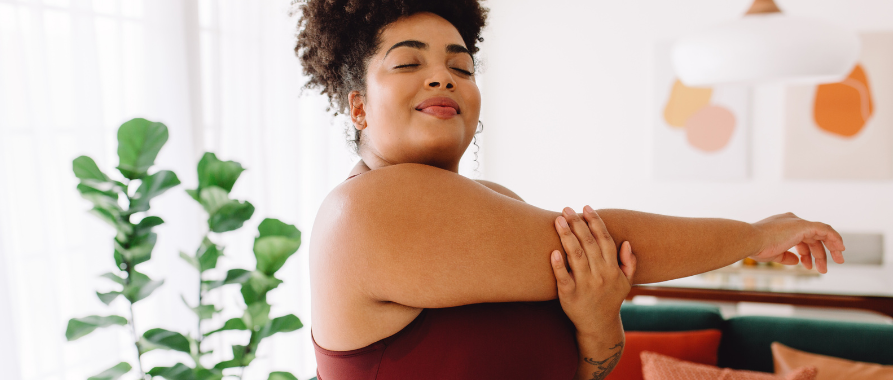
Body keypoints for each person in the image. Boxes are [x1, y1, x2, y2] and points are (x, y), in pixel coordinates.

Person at [295, 1, 846, 379]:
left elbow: (588, 368)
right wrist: (757, 233)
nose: (442, 77)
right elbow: (604, 239)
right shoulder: (362, 211)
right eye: (410, 62)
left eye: (460, 67)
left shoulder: (499, 200)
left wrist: (598, 322)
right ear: (359, 107)